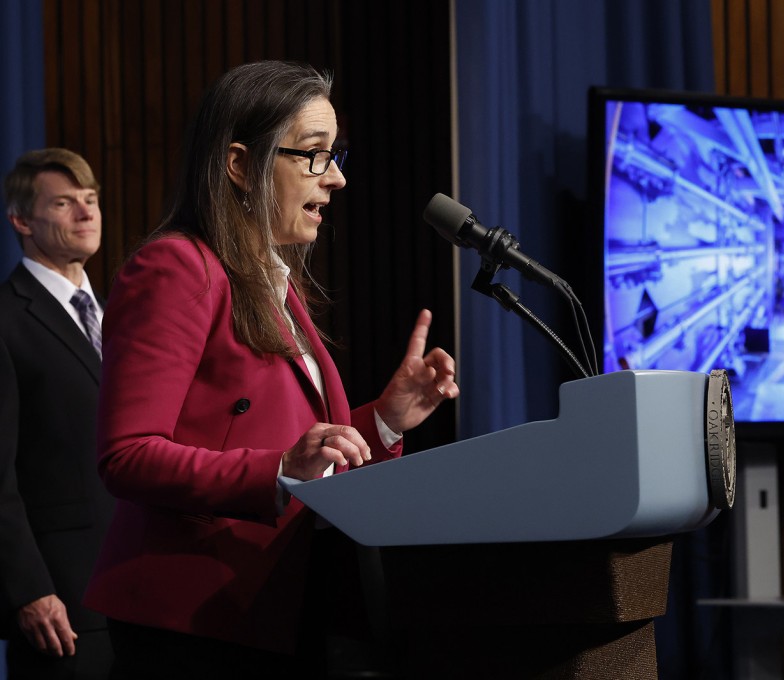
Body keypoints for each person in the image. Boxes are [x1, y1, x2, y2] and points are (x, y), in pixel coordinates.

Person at [81, 60, 459, 678]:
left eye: (335, 155)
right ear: (239, 164)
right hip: (192, 620)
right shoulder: (177, 268)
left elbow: (302, 451)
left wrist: (385, 421)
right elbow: (127, 454)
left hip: (278, 607)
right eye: (314, 155)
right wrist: (278, 470)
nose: (335, 177)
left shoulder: (271, 284)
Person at [0, 148, 114, 679]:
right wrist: (29, 589)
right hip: (63, 605)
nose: (87, 212)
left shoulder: (120, 316)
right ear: (22, 220)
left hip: (140, 593)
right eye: (65, 203)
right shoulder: (5, 320)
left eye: (91, 199)